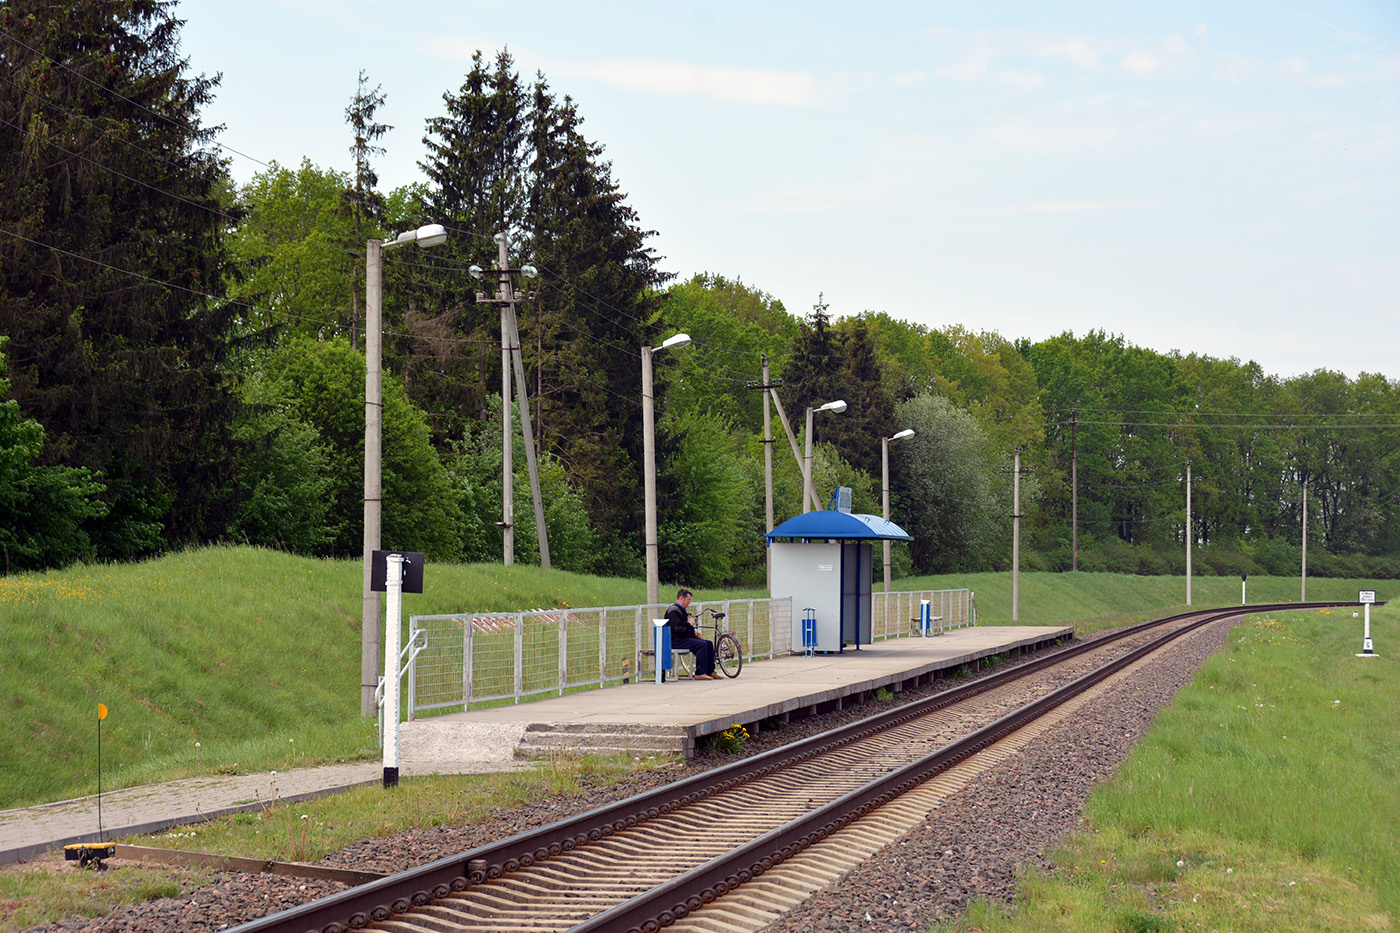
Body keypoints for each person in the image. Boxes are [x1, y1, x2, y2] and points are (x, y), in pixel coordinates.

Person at [664, 588, 721, 680]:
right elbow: (676, 628)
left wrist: (694, 631)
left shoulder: (680, 610)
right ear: (681, 598)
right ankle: (700, 672)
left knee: (709, 643)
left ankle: (710, 671)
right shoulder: (673, 611)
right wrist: (689, 624)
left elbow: (683, 627)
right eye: (688, 600)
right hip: (675, 640)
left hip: (682, 638)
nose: (689, 602)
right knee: (701, 645)